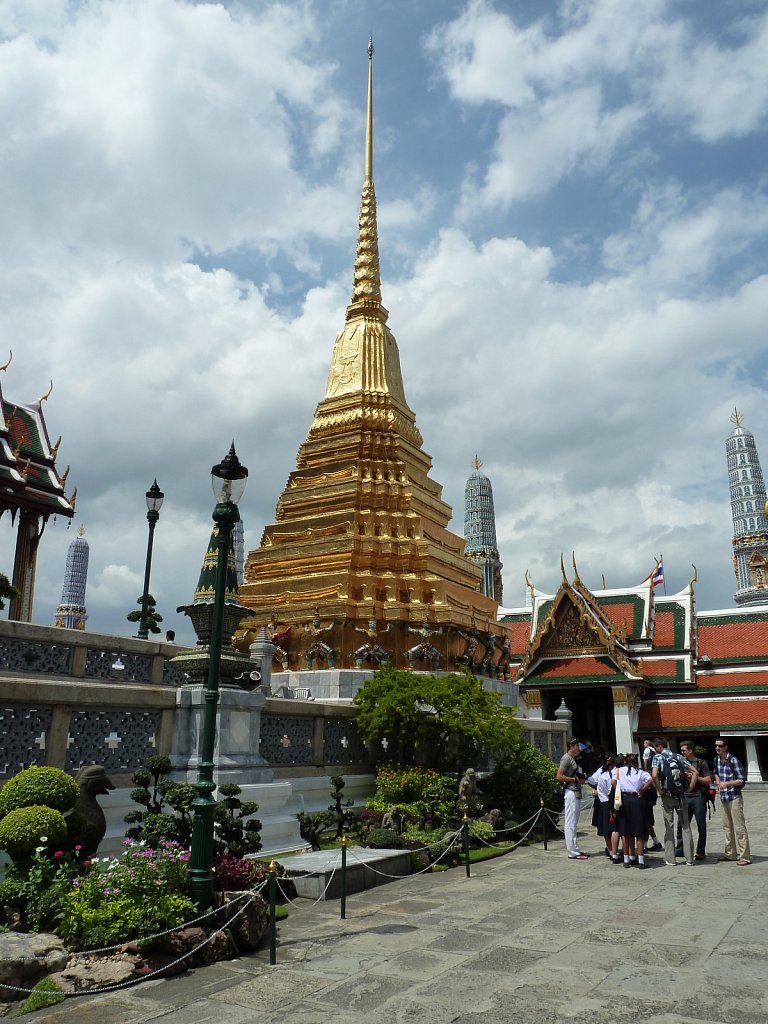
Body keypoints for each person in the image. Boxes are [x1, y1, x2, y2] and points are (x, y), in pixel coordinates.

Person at [651, 738, 695, 866]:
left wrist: (660, 790)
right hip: (681, 795)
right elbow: (695, 772)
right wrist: (689, 788)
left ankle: (671, 859)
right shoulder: (678, 757)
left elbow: (654, 775)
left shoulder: (658, 757)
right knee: (686, 826)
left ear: (659, 747)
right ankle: (690, 858)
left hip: (668, 796)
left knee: (669, 827)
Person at [713, 738, 751, 865]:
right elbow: (716, 773)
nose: (718, 748)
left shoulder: (733, 760)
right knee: (727, 827)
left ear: (726, 747)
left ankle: (745, 856)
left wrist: (727, 783)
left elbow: (742, 780)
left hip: (734, 797)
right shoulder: (716, 760)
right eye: (716, 746)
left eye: (720, 746)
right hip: (724, 797)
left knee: (739, 827)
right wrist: (718, 783)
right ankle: (730, 854)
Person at [615, 754, 654, 868]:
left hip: (624, 800)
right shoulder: (641, 772)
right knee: (639, 831)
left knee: (625, 831)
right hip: (636, 800)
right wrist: (642, 789)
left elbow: (613, 782)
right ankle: (641, 860)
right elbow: (651, 779)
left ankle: (626, 859)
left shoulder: (619, 771)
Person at [675, 740, 711, 861]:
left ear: (690, 750)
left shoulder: (701, 763)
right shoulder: (680, 763)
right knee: (682, 823)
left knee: (701, 824)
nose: (682, 752)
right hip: (684, 795)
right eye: (681, 750)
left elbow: (708, 780)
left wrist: (695, 777)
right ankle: (680, 848)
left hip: (698, 795)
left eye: (684, 750)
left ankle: (700, 851)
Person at [557, 737, 588, 860]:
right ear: (571, 746)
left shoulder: (573, 759)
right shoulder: (566, 759)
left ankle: (575, 848)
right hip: (570, 791)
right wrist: (575, 780)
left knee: (574, 823)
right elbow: (559, 776)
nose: (578, 749)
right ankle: (572, 852)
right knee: (570, 823)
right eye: (577, 746)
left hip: (576, 791)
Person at [587, 754, 620, 860]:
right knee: (613, 829)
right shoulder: (613, 775)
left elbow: (592, 782)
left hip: (604, 803)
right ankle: (612, 851)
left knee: (607, 829)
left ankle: (611, 850)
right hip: (611, 802)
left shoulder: (602, 776)